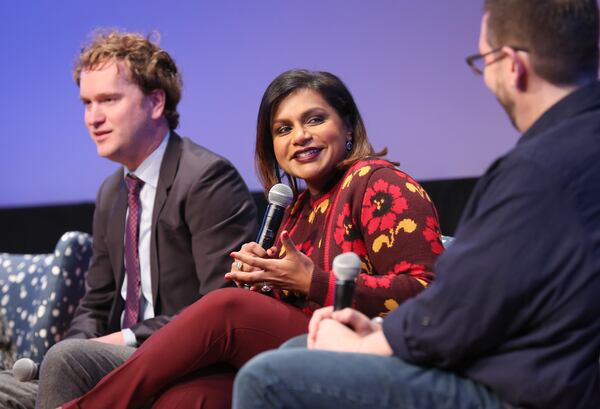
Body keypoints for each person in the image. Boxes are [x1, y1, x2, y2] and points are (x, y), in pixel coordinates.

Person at [232, 1, 600, 409]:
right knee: (288, 356)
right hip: (542, 373)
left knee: (267, 379)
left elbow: (456, 304)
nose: (300, 136)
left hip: (518, 390)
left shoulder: (536, 170)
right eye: (283, 129)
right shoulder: (578, 149)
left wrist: (372, 343)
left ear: (511, 65)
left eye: (483, 61)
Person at [56, 69, 443, 409]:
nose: (301, 136)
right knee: (190, 398)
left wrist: (311, 281)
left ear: (347, 125)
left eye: (315, 119)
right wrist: (262, 280)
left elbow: (429, 292)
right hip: (299, 350)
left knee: (228, 309)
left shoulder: (379, 183)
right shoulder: (296, 207)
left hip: (370, 351)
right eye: (283, 129)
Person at [20, 30, 258, 409]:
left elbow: (222, 304)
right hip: (122, 356)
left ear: (156, 102)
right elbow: (96, 303)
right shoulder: (111, 192)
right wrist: (74, 345)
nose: (92, 118)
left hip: (184, 358)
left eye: (108, 100)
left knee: (67, 362)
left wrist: (119, 340)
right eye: (86, 103)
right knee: (15, 381)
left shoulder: (206, 178)